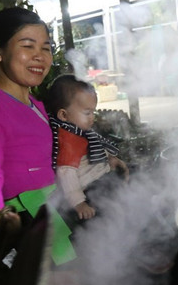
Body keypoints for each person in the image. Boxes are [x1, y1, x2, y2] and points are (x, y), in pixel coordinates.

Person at [0, 7, 74, 265]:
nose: (39, 57)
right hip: (23, 219)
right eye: (28, 46)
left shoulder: (34, 103)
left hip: (48, 210)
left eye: (46, 48)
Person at [44, 75, 128, 222]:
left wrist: (110, 158)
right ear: (64, 114)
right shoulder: (68, 140)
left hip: (100, 178)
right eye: (87, 113)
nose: (92, 118)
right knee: (115, 210)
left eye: (93, 112)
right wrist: (79, 203)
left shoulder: (79, 130)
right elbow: (65, 173)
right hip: (90, 190)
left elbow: (95, 148)